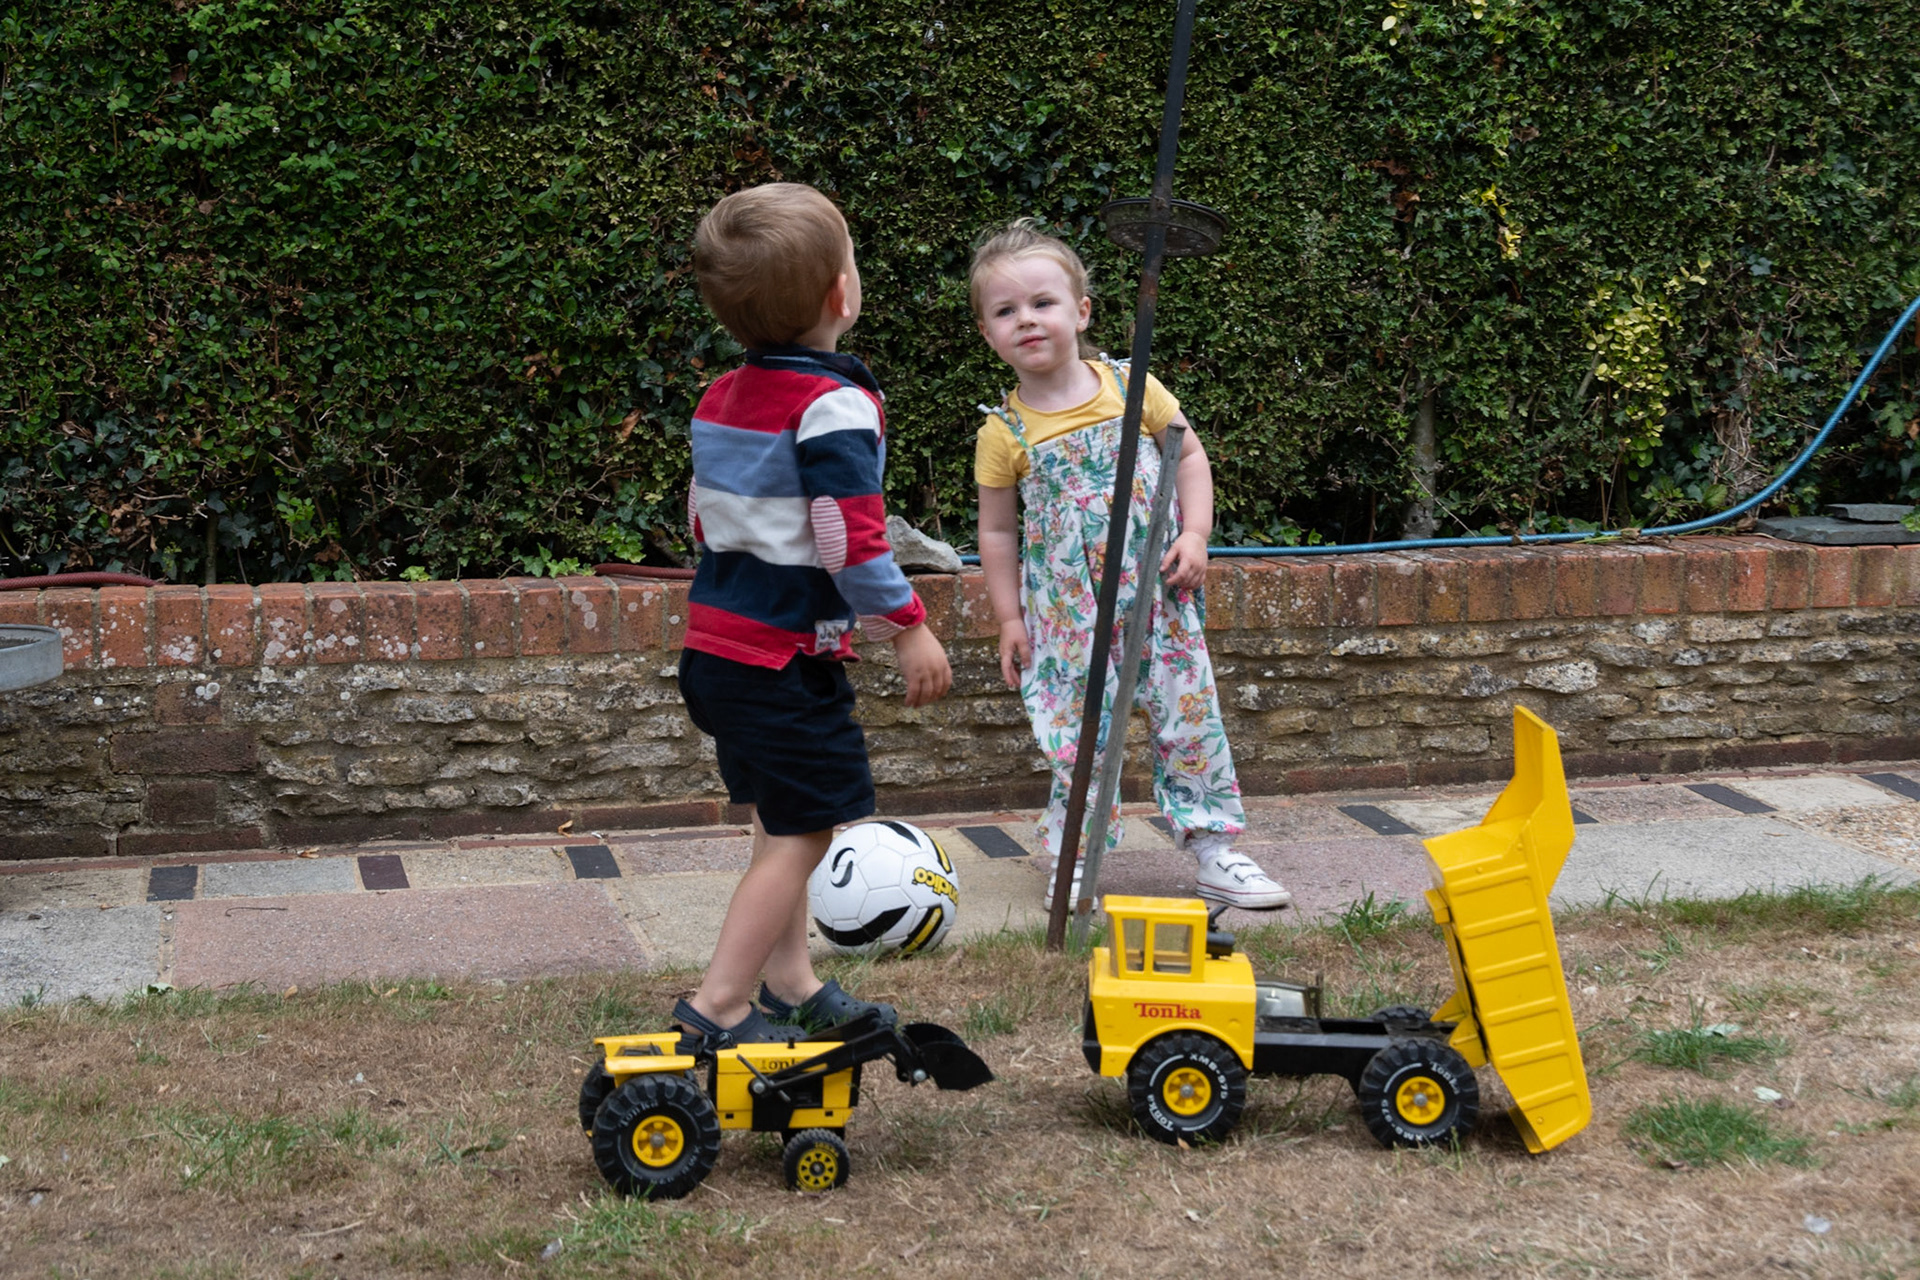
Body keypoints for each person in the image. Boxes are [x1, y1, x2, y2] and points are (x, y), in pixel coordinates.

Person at [673, 183, 952, 1047]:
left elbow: (701, 517)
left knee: (776, 817)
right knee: (806, 833)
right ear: (842, 293)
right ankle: (719, 1004)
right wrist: (907, 624)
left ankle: (790, 981)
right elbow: (847, 539)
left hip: (716, 650)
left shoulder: (722, 394)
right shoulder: (834, 405)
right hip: (781, 664)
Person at [970, 218, 1289, 911]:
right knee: (1078, 733)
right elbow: (996, 532)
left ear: (1082, 311)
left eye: (1043, 302)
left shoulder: (1130, 385)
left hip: (1158, 593)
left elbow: (1189, 454)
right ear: (988, 333)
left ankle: (1214, 849)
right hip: (1067, 615)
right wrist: (1009, 619)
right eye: (1006, 311)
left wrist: (1196, 534)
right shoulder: (1003, 432)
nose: (1027, 320)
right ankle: (1075, 859)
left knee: (1187, 714)